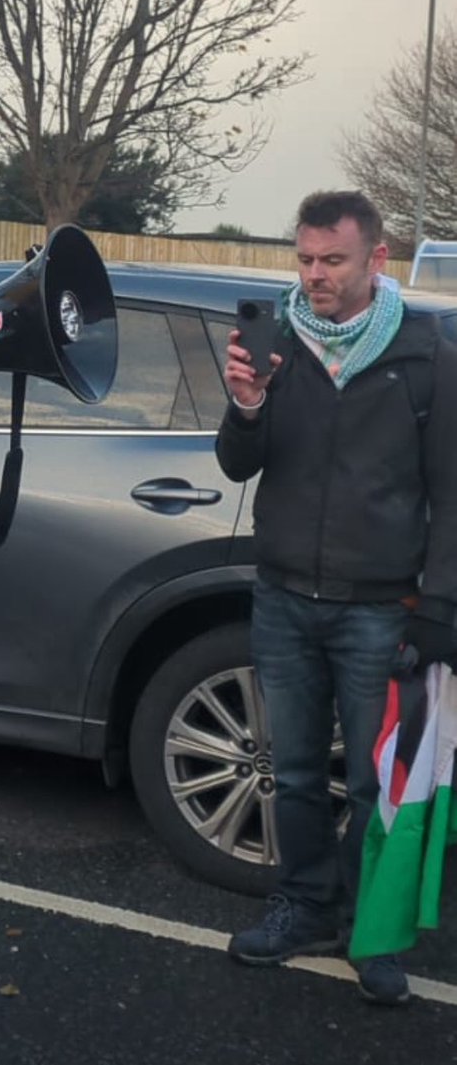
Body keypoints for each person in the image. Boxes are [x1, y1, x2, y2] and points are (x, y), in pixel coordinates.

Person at [216, 189, 457, 1006]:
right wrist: (246, 405)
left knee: (372, 782)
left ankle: (369, 928)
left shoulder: (427, 354)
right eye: (304, 260)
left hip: (379, 607)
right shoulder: (276, 342)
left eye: (332, 261)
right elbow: (236, 465)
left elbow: (450, 491)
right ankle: (304, 906)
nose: (314, 276)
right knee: (288, 772)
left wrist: (439, 608)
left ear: (375, 260)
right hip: (282, 596)